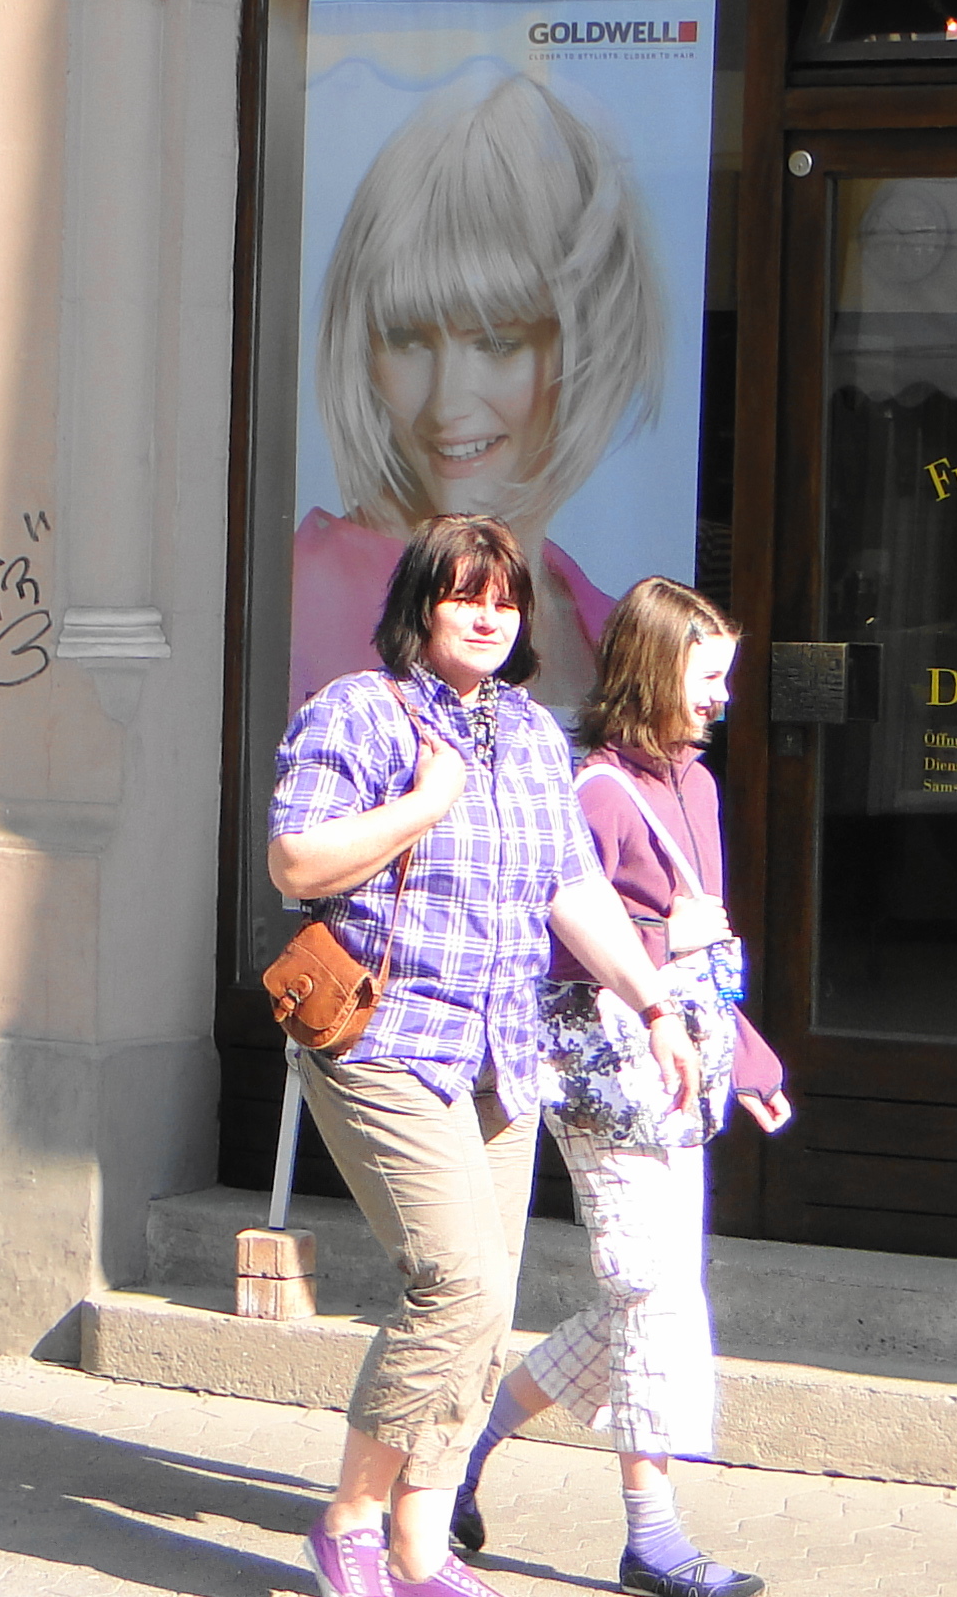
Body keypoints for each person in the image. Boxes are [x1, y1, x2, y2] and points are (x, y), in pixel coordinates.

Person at [269, 514, 714, 1597]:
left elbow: (572, 889)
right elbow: (295, 859)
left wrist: (653, 1002)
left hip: (501, 1058)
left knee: (484, 1311)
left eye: (503, 600)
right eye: (464, 594)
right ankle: (351, 1520)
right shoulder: (360, 713)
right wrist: (421, 805)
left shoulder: (525, 732)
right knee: (455, 1286)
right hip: (384, 1044)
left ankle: (422, 1544)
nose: (487, 615)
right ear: (420, 605)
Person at [448, 577, 790, 1597]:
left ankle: (470, 1438)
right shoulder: (595, 792)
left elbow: (707, 953)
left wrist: (755, 1058)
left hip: (683, 1060)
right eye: (709, 677)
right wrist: (656, 940)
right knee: (652, 1293)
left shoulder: (699, 783)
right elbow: (553, 940)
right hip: (610, 1070)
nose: (723, 698)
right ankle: (653, 1534)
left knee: (648, 1292)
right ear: (655, 670)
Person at [291, 73, 666, 719]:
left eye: (497, 343)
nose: (446, 404)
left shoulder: (606, 627)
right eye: (408, 339)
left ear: (583, 346)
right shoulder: (302, 599)